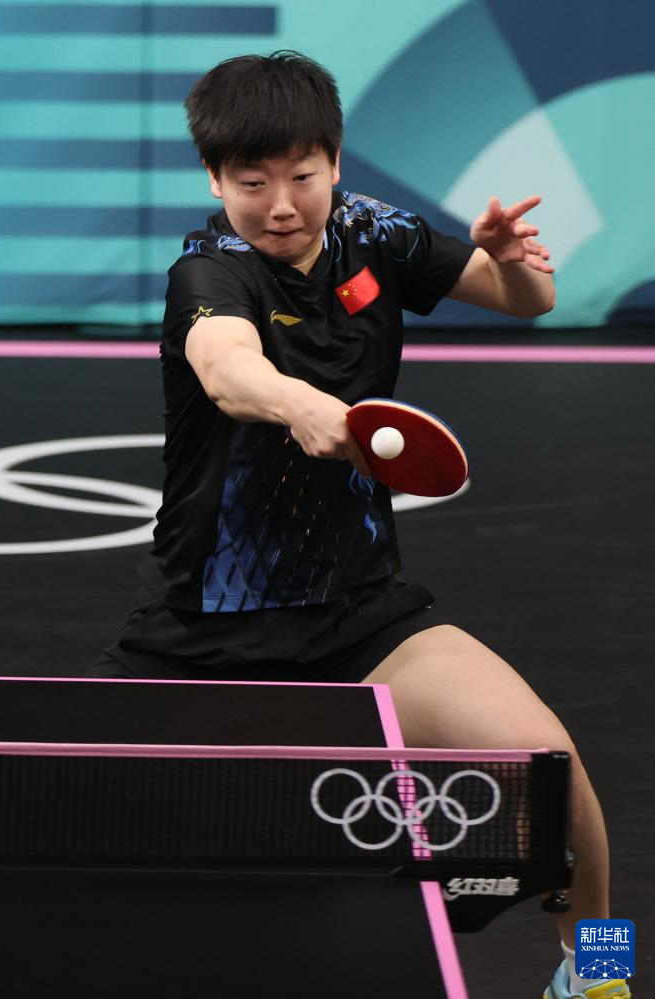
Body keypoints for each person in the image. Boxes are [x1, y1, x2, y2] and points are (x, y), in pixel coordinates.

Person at [91, 52, 628, 999]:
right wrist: (303, 406)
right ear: (214, 180)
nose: (281, 205)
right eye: (252, 183)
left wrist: (510, 262)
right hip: (198, 635)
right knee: (67, 820)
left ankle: (596, 976)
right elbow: (226, 367)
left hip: (359, 620)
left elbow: (530, 300)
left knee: (553, 772)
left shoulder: (376, 233)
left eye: (302, 175)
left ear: (335, 161)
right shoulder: (208, 272)